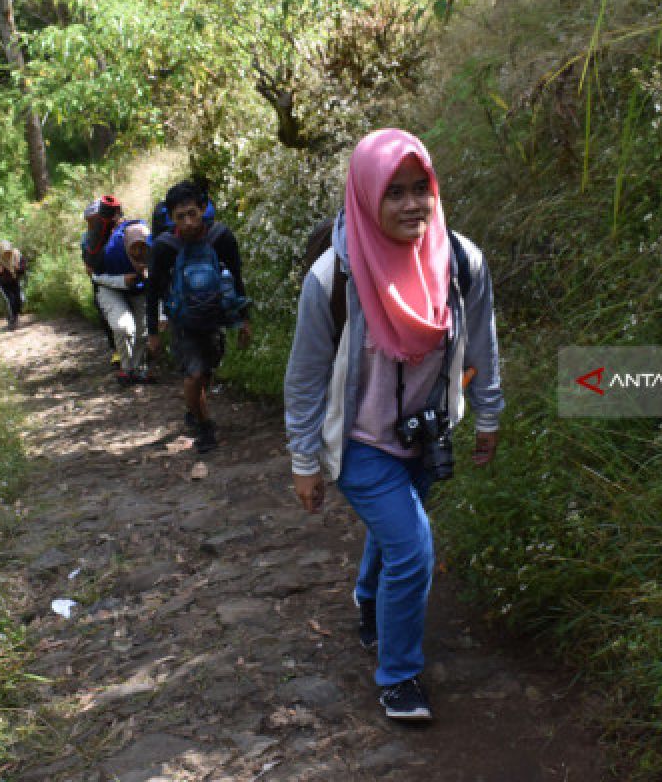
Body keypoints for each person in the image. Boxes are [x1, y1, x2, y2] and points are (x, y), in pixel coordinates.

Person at [283, 128, 504, 722]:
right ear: (365, 195)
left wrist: (489, 412)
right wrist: (304, 461)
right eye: (394, 192)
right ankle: (399, 677)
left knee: (396, 534)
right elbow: (305, 378)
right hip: (361, 443)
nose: (412, 205)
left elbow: (482, 340)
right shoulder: (333, 278)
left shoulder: (459, 261)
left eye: (421, 189)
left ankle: (368, 600)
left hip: (426, 434)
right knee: (414, 547)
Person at [146, 180, 252, 452]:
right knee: (193, 375)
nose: (189, 222)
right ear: (170, 218)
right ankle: (206, 427)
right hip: (183, 323)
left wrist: (243, 320)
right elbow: (153, 291)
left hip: (215, 317)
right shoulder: (164, 248)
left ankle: (194, 409)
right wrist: (153, 333)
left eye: (193, 213)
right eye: (180, 217)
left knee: (205, 374)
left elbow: (237, 278)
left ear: (203, 209)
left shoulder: (221, 238)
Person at [92, 220, 155, 386]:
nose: (139, 252)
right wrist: (123, 280)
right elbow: (96, 277)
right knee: (123, 327)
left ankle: (139, 368)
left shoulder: (155, 252)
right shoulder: (110, 253)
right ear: (126, 244)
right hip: (109, 286)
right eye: (134, 247)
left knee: (143, 329)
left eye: (143, 247)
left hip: (139, 289)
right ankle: (127, 369)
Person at [82, 195, 124, 365]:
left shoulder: (122, 228)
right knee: (105, 315)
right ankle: (116, 350)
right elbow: (88, 266)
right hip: (101, 281)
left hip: (122, 277)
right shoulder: (88, 238)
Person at [0, 240, 27, 330]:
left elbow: (23, 267)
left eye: (8, 252)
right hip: (4, 283)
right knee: (10, 300)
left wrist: (18, 268)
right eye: (5, 252)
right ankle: (13, 319)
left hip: (15, 281)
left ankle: (15, 317)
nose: (7, 254)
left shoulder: (17, 255)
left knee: (19, 299)